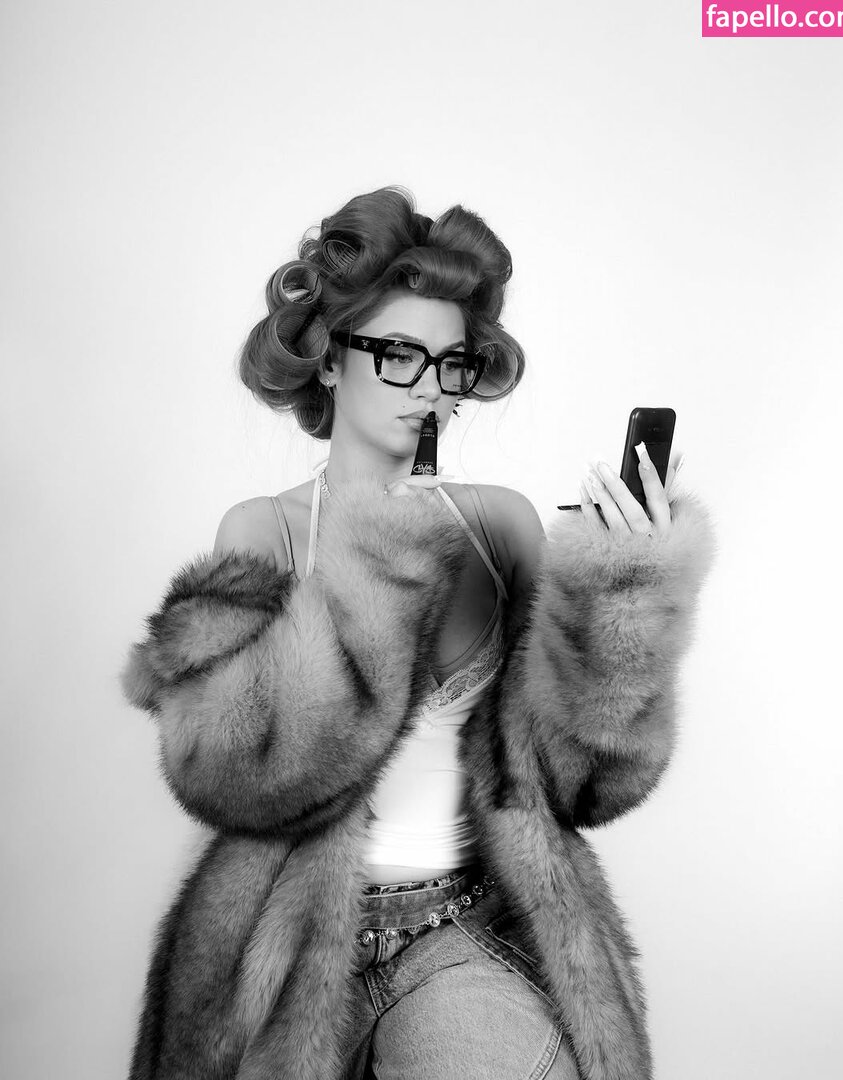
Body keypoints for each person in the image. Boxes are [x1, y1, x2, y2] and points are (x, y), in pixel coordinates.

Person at [119, 185, 716, 1080]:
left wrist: (621, 598)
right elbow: (233, 777)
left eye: (452, 363)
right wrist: (383, 556)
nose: (432, 388)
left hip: (460, 933)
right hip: (281, 953)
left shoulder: (499, 526)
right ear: (329, 359)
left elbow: (583, 784)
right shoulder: (261, 532)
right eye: (399, 355)